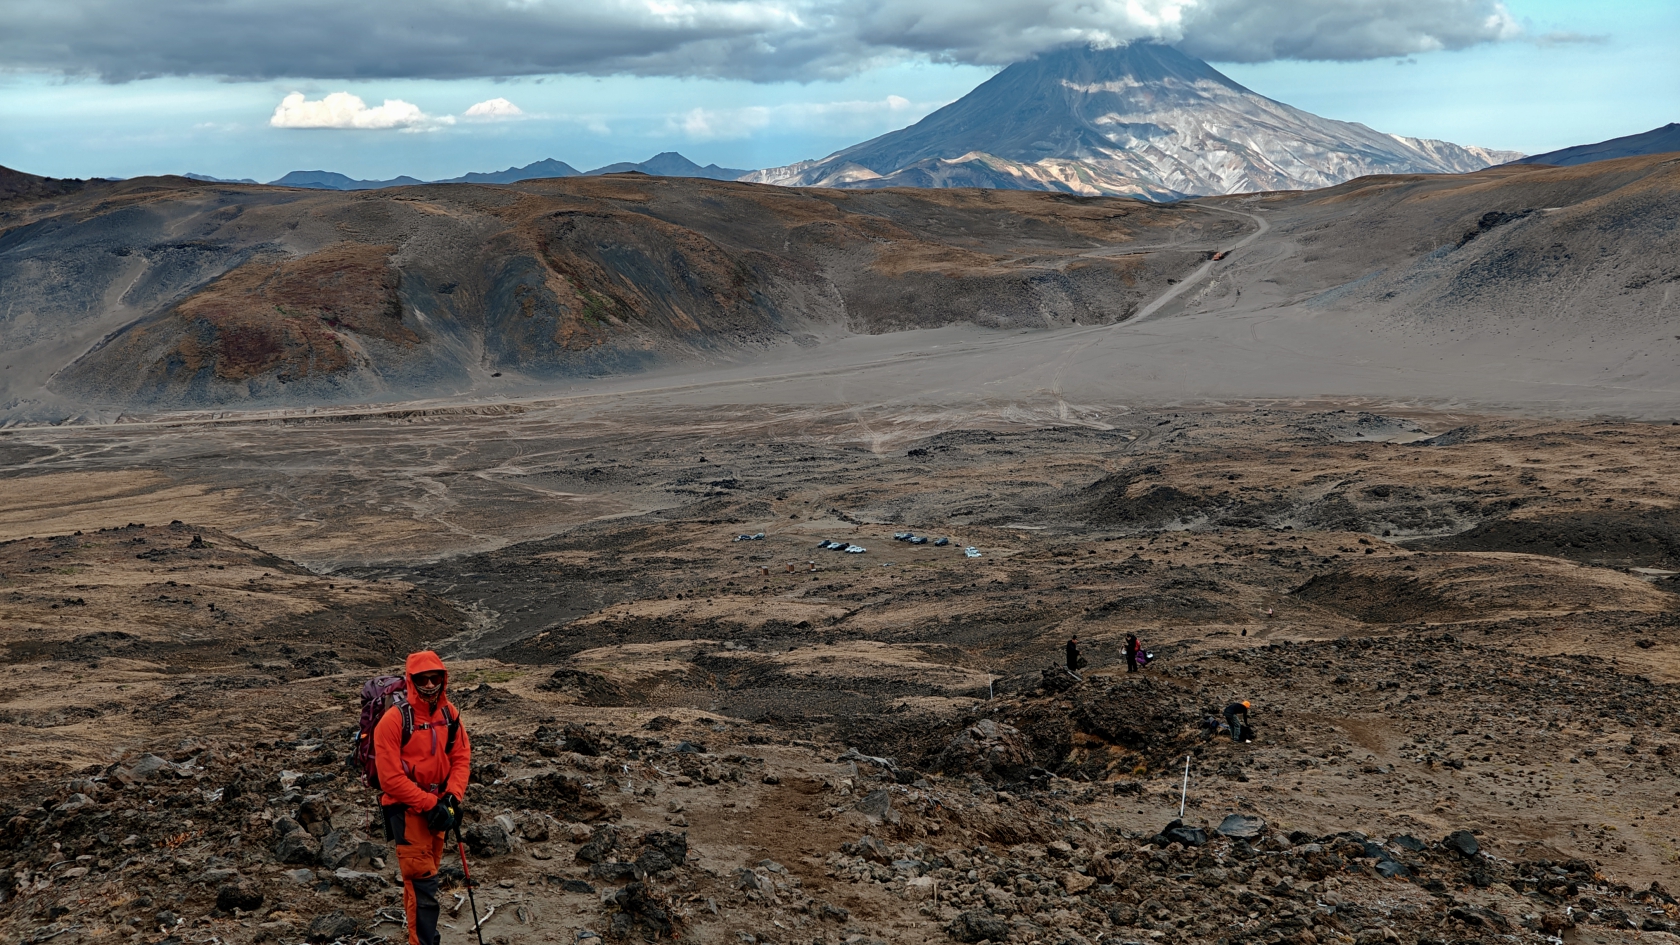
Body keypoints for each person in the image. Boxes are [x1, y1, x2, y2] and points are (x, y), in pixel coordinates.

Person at [375, 651, 473, 945]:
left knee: (421, 880)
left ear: (444, 679)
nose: (430, 684)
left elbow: (461, 757)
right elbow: (390, 779)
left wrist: (453, 798)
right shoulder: (393, 721)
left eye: (435, 678)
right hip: (406, 811)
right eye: (422, 678)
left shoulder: (449, 714)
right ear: (411, 680)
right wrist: (432, 804)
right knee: (423, 884)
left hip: (440, 808)